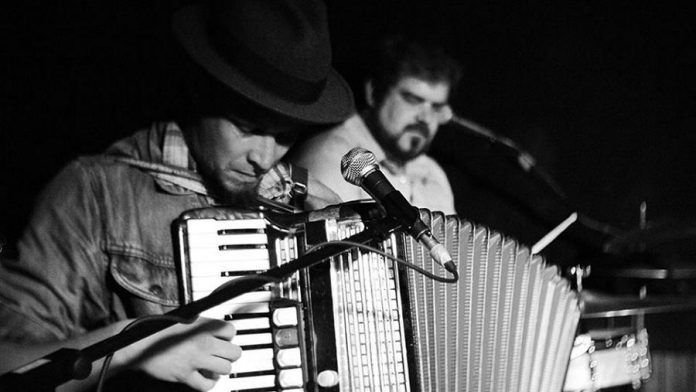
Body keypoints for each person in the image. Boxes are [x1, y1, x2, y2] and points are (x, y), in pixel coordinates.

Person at [0, 0, 352, 391]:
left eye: (285, 136)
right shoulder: (95, 191)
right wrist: (131, 346)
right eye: (247, 127)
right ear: (200, 92)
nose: (264, 158)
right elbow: (11, 368)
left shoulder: (296, 195)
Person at [288, 36, 462, 215]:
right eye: (412, 100)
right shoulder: (332, 157)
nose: (425, 118)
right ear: (373, 93)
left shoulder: (432, 173)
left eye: (436, 107)